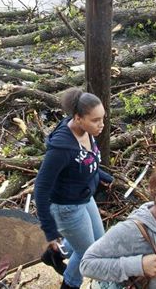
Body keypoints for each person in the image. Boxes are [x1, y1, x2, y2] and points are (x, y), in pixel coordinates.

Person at [34, 88, 113, 289]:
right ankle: (70, 283)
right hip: (66, 207)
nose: (101, 124)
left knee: (100, 242)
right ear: (78, 118)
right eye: (95, 120)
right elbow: (41, 188)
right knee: (88, 254)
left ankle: (54, 255)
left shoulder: (87, 131)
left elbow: (86, 159)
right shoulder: (61, 148)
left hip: (85, 197)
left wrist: (101, 175)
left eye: (102, 118)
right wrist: (50, 231)